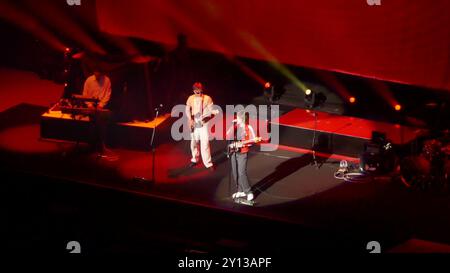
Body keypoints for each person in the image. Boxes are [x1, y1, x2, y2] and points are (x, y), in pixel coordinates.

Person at [226, 111, 258, 201]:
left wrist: (243, 144)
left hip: (242, 153)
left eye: (238, 118)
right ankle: (240, 190)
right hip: (233, 152)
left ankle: (248, 191)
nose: (237, 119)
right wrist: (233, 126)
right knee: (235, 172)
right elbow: (228, 135)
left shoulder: (248, 128)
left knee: (241, 172)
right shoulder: (235, 127)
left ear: (242, 119)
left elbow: (253, 140)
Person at [185, 82, 214, 170]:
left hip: (204, 122)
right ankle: (195, 159)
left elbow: (212, 110)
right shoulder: (191, 98)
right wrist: (190, 119)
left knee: (205, 143)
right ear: (194, 91)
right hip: (194, 121)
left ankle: (208, 163)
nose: (199, 93)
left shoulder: (207, 98)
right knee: (194, 142)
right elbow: (187, 109)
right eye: (197, 92)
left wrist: (208, 115)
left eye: (200, 91)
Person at [82, 69, 112, 155]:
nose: (97, 74)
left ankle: (101, 145)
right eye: (96, 72)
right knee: (92, 124)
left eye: (99, 72)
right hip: (91, 106)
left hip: (101, 106)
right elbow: (85, 94)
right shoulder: (89, 80)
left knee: (101, 123)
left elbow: (108, 94)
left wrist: (101, 105)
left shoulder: (107, 80)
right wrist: (90, 105)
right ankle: (93, 146)